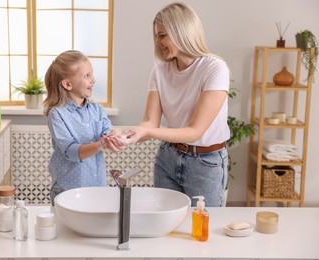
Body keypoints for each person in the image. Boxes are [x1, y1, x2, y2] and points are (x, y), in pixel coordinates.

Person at [118, 2, 231, 207]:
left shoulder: (214, 68)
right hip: (167, 159)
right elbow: (149, 121)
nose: (157, 43)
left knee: (203, 228)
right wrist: (127, 137)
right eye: (155, 36)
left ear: (181, 32)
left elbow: (195, 131)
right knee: (166, 226)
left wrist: (149, 133)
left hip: (205, 163)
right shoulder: (160, 72)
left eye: (162, 36)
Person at [43, 50, 120, 205]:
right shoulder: (57, 114)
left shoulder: (97, 110)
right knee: (65, 229)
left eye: (92, 74)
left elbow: (108, 133)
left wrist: (115, 135)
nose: (93, 80)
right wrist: (100, 145)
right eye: (87, 76)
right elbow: (71, 152)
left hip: (97, 187)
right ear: (67, 84)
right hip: (67, 189)